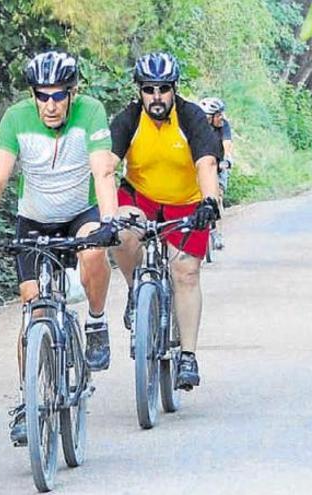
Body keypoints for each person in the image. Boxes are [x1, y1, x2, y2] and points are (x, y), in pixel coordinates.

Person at [0, 51, 119, 445]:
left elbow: (103, 171)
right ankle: (28, 400)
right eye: (42, 95)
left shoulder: (92, 112)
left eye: (58, 96)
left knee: (92, 252)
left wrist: (109, 222)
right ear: (33, 95)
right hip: (33, 218)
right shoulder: (17, 118)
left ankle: (97, 322)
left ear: (73, 92)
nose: (49, 105)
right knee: (33, 310)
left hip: (79, 212)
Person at [109, 52, 221, 390]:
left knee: (185, 272)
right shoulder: (129, 119)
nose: (156, 97)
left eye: (163, 89)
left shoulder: (192, 117)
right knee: (124, 233)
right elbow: (108, 162)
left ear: (174, 89)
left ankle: (187, 355)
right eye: (149, 89)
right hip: (140, 197)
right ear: (139, 91)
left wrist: (210, 201)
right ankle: (134, 290)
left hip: (185, 202)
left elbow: (207, 163)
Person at [199, 96, 233, 250]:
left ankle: (217, 234)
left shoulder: (223, 126)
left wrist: (227, 159)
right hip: (199, 166)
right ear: (209, 117)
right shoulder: (196, 128)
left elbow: (227, 144)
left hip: (218, 166)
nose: (222, 117)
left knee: (217, 197)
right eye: (218, 115)